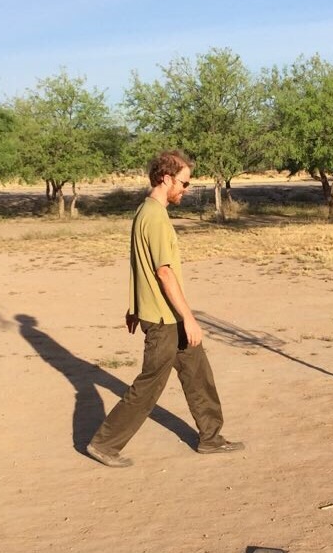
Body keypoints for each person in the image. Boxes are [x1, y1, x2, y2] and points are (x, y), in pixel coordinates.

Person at [86, 150, 244, 466]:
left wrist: (134, 307)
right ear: (166, 179)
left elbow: (138, 263)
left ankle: (211, 437)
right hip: (164, 319)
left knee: (198, 373)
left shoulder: (145, 211)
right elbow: (163, 272)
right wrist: (189, 318)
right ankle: (104, 444)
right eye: (184, 183)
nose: (186, 189)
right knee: (150, 384)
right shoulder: (155, 217)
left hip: (165, 314)